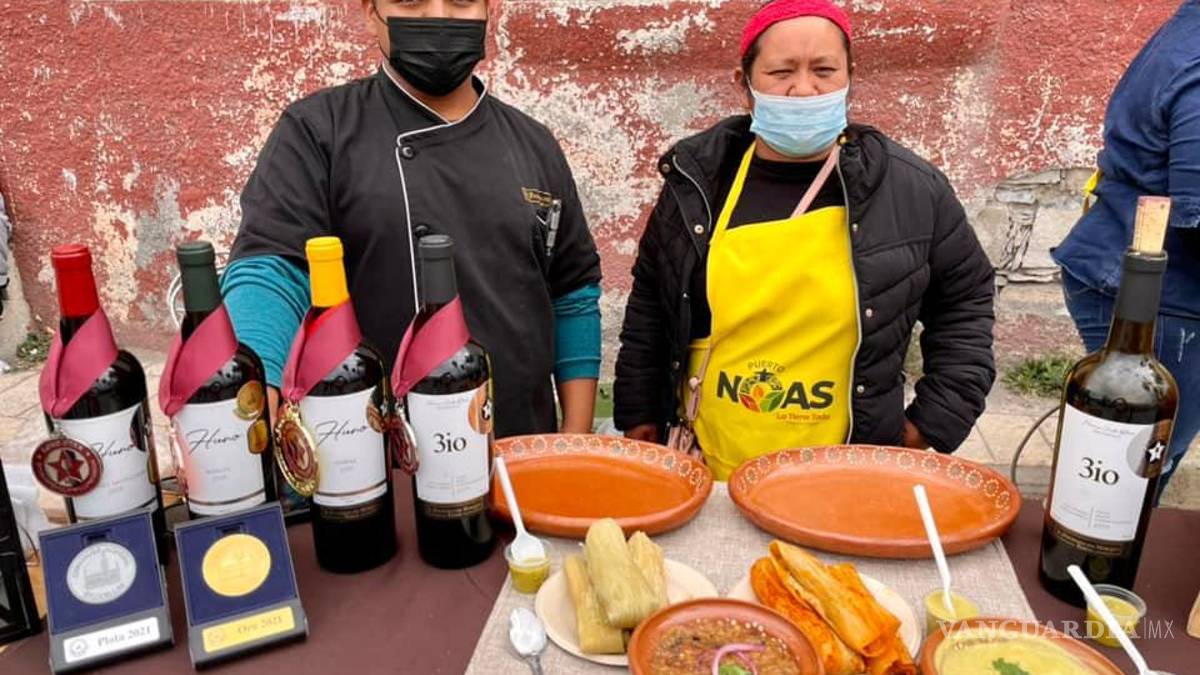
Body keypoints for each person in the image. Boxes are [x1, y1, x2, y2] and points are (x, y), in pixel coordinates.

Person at [614, 0, 996, 480]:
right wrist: (639, 413)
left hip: (846, 476)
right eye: (781, 72)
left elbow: (965, 301)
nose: (803, 89)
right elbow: (652, 301)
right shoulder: (697, 185)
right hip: (709, 464)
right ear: (744, 85)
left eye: (824, 71)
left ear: (850, 78)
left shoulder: (911, 190)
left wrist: (930, 424)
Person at [223, 0, 602, 438]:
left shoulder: (534, 144)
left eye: (461, 1)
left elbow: (573, 292)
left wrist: (575, 437)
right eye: (410, 0)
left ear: (487, 9)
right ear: (371, 13)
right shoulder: (318, 130)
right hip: (372, 451)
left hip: (520, 447)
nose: (438, 16)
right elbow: (272, 269)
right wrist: (250, 383)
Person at [1052, 0, 1200, 494]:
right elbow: (1197, 212)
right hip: (1162, 296)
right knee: (1136, 463)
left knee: (1136, 457)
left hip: (1140, 273)